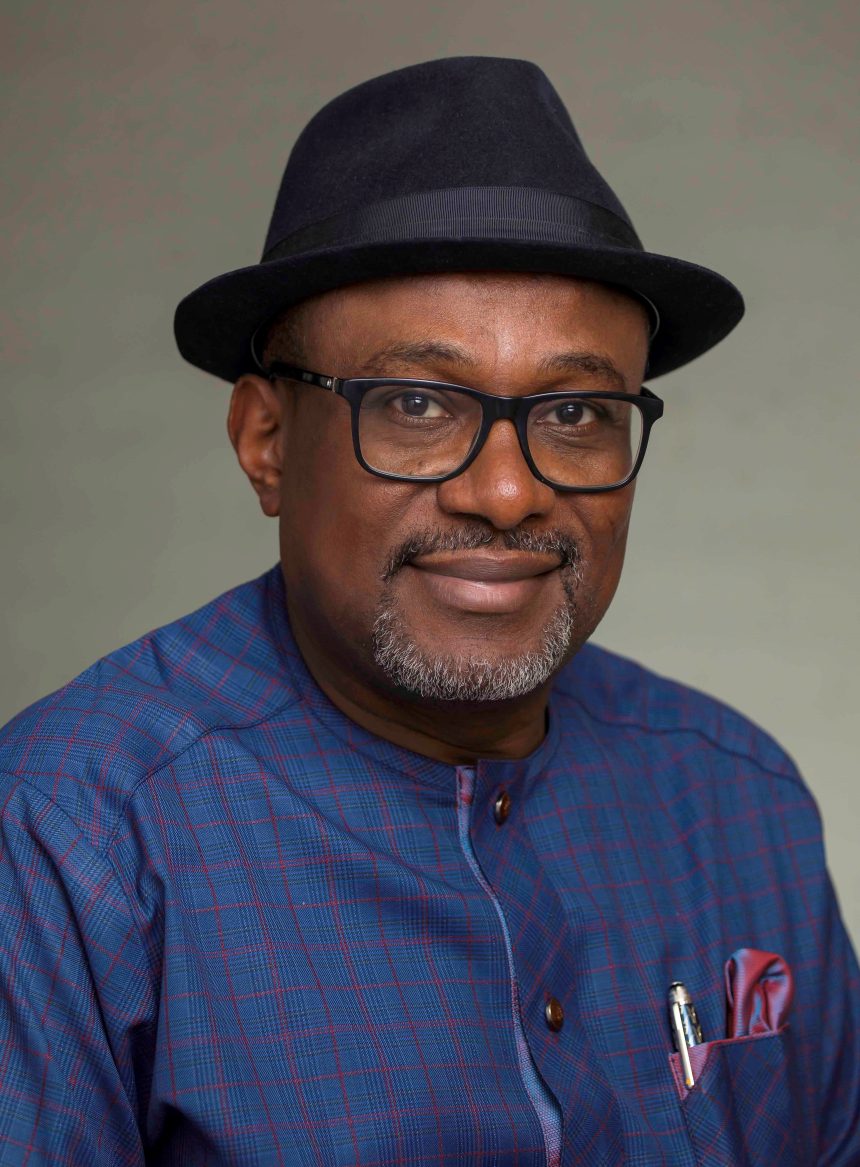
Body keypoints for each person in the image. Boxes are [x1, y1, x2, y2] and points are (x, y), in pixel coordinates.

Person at [0, 56, 857, 1166]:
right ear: (267, 443)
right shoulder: (74, 840)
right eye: (414, 403)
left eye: (575, 412)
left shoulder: (736, 799)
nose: (505, 491)